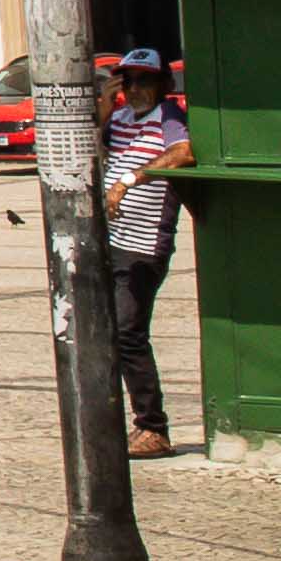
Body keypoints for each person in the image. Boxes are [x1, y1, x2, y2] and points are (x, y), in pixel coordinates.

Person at [95, 47, 191, 456]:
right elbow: (92, 145)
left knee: (129, 333)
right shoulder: (118, 118)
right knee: (107, 334)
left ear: (163, 85)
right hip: (111, 243)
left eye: (144, 81)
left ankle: (154, 428)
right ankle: (121, 422)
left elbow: (183, 153)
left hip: (143, 245)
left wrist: (129, 180)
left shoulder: (168, 116)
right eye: (128, 81)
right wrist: (104, 103)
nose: (136, 89)